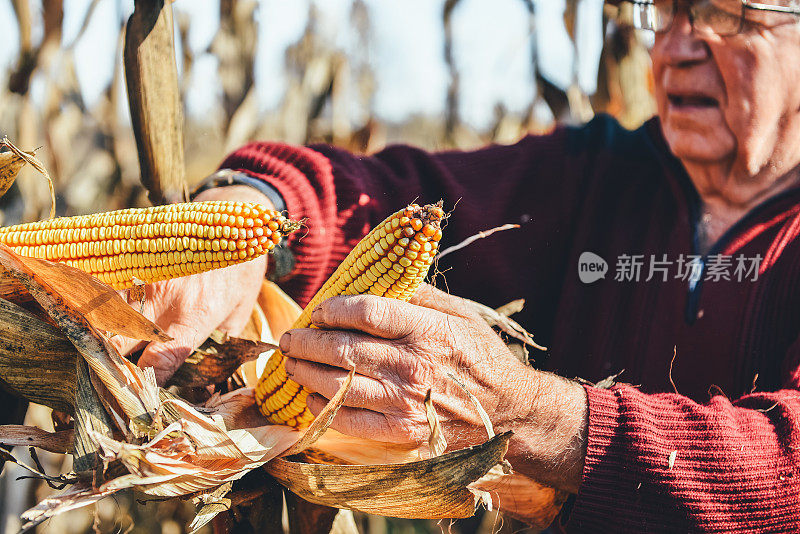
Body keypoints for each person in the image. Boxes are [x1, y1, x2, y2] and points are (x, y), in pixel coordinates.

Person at [112, 0, 800, 531]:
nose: (676, 47)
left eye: (720, 12)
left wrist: (535, 417)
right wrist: (251, 219)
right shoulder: (596, 174)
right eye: (664, 10)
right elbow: (388, 194)